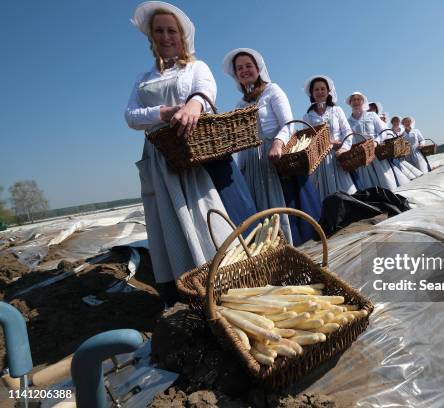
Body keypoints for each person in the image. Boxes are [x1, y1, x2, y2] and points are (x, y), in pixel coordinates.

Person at [125, 2, 257, 301]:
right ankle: (186, 283)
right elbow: (131, 116)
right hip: (161, 155)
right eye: (159, 30)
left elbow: (205, 91)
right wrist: (163, 112)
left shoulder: (196, 67)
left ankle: (225, 277)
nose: (166, 36)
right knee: (172, 220)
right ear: (151, 37)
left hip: (196, 150)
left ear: (182, 36)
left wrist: (193, 105)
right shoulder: (143, 78)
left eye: (171, 30)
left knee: (209, 213)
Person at [223, 48, 321, 245]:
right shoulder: (240, 104)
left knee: (283, 204)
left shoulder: (272, 90)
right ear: (236, 75)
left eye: (248, 66)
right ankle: (269, 245)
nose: (244, 71)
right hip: (252, 161)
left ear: (258, 69)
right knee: (258, 210)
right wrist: (241, 166)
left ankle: (293, 241)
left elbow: (289, 123)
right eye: (239, 68)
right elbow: (242, 138)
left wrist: (277, 143)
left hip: (275, 155)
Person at [302, 75, 357, 201]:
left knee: (347, 195)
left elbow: (347, 131)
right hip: (318, 161)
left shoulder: (336, 110)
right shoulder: (307, 116)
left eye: (323, 89)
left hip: (337, 157)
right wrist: (328, 142)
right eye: (316, 89)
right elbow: (307, 140)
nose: (320, 92)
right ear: (311, 93)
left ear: (328, 92)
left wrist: (344, 149)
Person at [345, 92, 399, 190]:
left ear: (363, 102)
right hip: (361, 159)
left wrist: (376, 142)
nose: (356, 102)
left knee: (386, 183)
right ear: (350, 103)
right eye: (353, 100)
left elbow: (383, 131)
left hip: (376, 154)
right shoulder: (347, 121)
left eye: (358, 99)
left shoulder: (372, 115)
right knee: (369, 186)